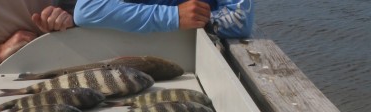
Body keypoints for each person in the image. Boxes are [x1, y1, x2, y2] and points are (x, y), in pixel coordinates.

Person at [73, 0, 253, 38]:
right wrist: (174, 16)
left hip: (201, 57)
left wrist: (198, 19)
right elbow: (87, 10)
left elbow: (240, 19)